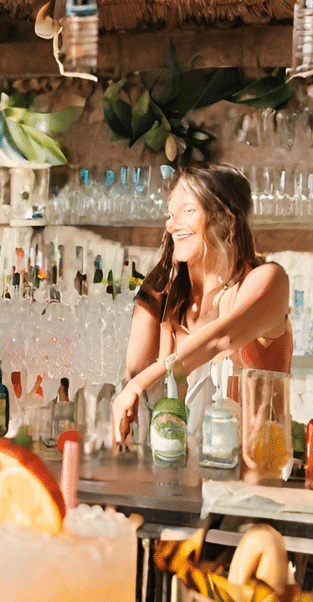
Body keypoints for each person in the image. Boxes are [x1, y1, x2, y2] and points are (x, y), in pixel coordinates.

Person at [111, 163, 292, 451]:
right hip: (169, 476)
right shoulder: (161, 292)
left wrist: (138, 385)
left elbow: (224, 338)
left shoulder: (268, 281)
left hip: (248, 477)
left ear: (224, 218)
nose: (171, 225)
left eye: (188, 211)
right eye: (171, 214)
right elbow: (134, 394)